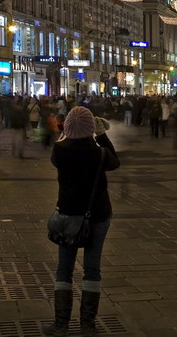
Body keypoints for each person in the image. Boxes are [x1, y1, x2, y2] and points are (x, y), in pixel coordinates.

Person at [45, 107, 120, 337]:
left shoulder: (59, 151)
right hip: (96, 215)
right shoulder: (98, 154)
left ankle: (61, 324)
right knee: (92, 270)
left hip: (68, 217)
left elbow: (62, 143)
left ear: (67, 128)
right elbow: (115, 161)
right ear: (91, 129)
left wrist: (68, 131)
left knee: (64, 269)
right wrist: (101, 135)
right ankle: (87, 324)